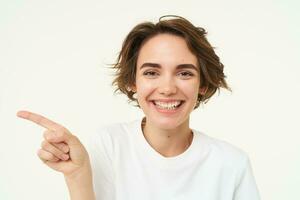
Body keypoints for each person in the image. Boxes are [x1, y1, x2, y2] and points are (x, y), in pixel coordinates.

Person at [17, 15, 261, 200]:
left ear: (203, 85)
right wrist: (77, 176)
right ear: (133, 81)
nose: (167, 88)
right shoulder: (108, 144)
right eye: (152, 72)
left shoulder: (231, 163)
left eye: (184, 73)